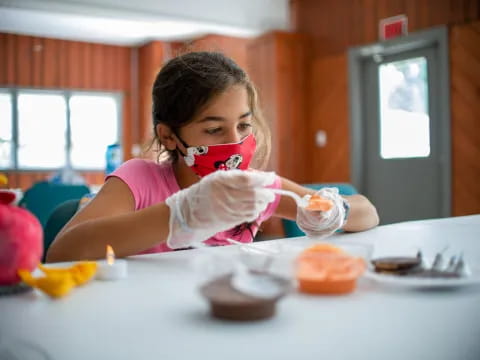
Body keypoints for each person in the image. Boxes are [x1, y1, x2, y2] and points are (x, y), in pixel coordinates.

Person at [46, 52, 379, 262]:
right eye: (214, 129)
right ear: (168, 136)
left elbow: (369, 213)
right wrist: (181, 214)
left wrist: (336, 210)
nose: (235, 142)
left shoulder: (252, 189)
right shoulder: (139, 180)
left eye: (244, 125)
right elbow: (61, 252)